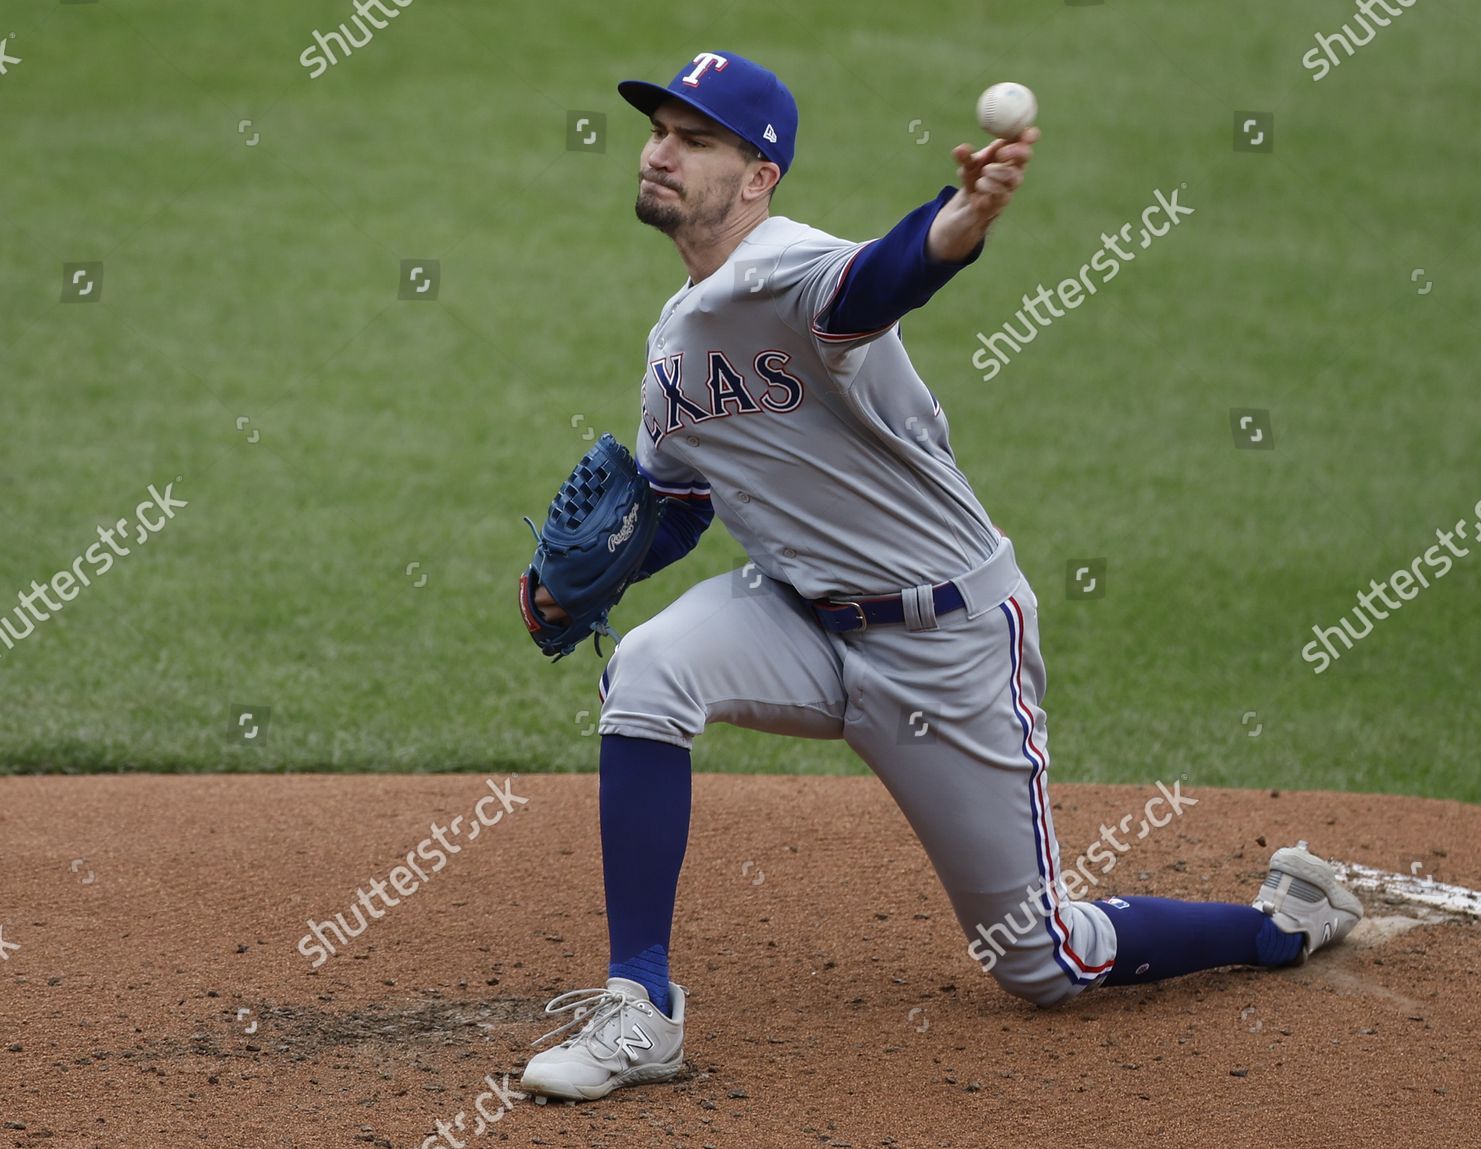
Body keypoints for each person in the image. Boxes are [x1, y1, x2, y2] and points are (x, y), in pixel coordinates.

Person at [519, 50, 1363, 1102]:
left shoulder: (788, 269)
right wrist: (580, 585)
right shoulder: (674, 352)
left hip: (948, 640)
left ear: (759, 175)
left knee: (1043, 962)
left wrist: (962, 216)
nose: (659, 153)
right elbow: (676, 502)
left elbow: (886, 276)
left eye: (694, 141)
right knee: (647, 672)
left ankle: (1283, 925)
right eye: (657, 133)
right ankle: (641, 1009)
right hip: (799, 620)